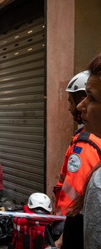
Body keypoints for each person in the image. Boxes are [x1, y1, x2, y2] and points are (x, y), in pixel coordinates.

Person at [56, 54, 101, 249]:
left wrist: (63, 231)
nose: (72, 107)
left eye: (91, 97)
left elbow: (74, 189)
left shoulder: (86, 142)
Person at [54, 70, 89, 216]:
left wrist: (61, 224)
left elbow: (73, 190)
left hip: (72, 221)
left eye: (70, 101)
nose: (69, 108)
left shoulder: (85, 144)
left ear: (82, 100)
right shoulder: (84, 136)